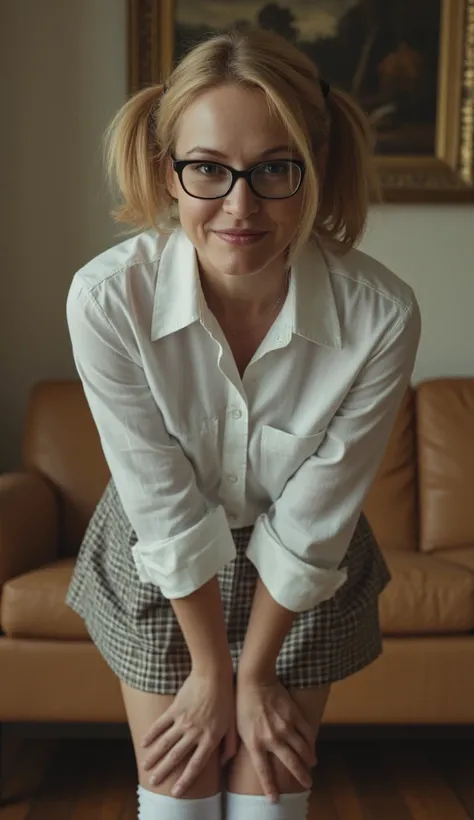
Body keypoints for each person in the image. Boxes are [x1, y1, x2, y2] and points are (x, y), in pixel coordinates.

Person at [65, 26, 421, 820]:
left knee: (267, 794)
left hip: (301, 569)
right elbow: (160, 504)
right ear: (169, 172)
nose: (240, 205)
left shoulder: (381, 315)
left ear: (317, 168)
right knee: (179, 796)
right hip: (158, 560)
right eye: (208, 169)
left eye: (272, 170)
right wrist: (209, 674)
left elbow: (316, 516)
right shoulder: (105, 301)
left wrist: (251, 674)